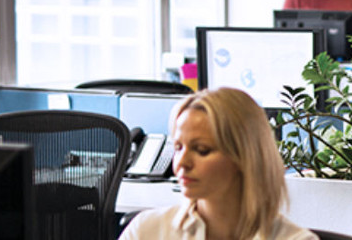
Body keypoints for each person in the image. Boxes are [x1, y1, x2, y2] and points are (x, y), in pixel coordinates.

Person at [120, 88, 318, 240]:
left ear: (243, 157)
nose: (182, 163)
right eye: (179, 147)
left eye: (202, 150)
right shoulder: (148, 231)